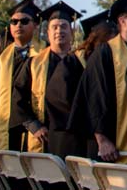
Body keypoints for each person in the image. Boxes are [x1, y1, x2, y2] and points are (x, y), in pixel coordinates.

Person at [68, 0, 127, 163]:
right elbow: (93, 98)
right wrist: (102, 139)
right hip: (112, 148)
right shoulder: (106, 52)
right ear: (123, 21)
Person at [11, 1, 80, 154]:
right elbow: (18, 97)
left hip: (74, 138)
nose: (59, 31)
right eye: (54, 27)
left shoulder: (81, 62)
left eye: (64, 26)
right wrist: (34, 125)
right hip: (43, 136)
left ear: (72, 32)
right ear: (47, 33)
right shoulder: (34, 63)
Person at [0, 0, 43, 151]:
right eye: (14, 22)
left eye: (24, 21)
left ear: (35, 26)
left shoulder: (44, 55)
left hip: (35, 130)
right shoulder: (2, 59)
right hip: (6, 127)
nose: (18, 25)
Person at [45, 9, 116, 159]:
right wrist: (92, 122)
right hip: (72, 139)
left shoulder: (110, 65)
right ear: (97, 41)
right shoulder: (73, 63)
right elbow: (58, 99)